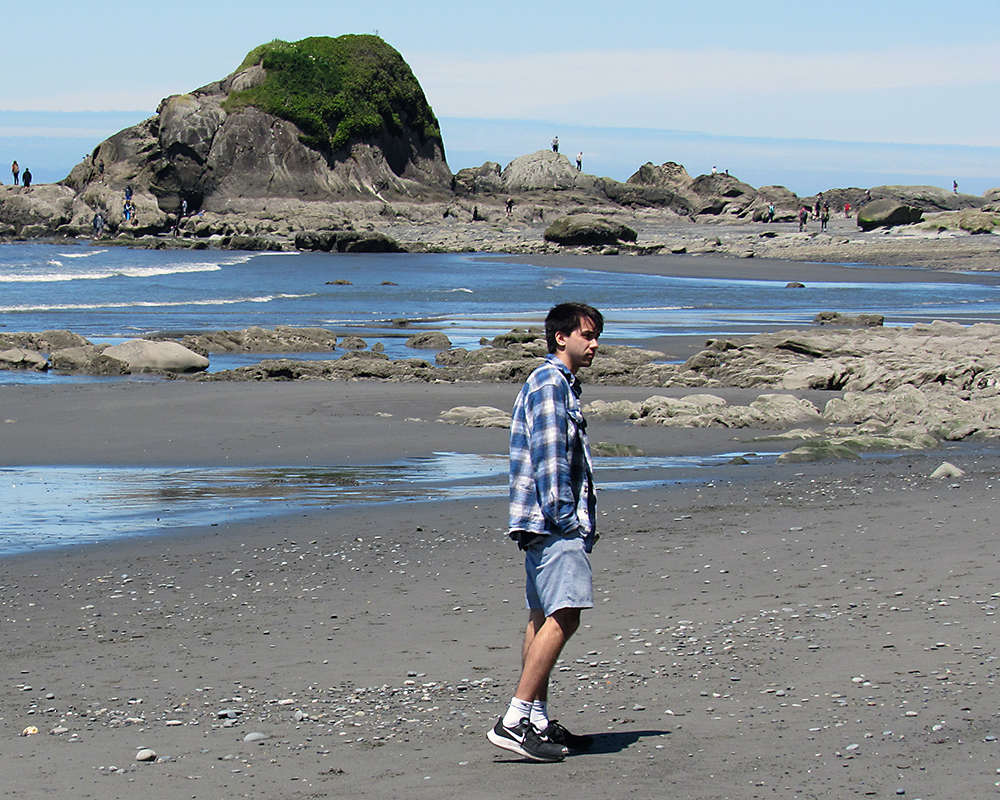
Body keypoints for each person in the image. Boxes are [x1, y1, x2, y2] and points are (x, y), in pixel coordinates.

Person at [487, 302, 603, 763]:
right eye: (587, 335)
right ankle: (515, 719)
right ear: (561, 337)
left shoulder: (556, 384)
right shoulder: (551, 384)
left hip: (537, 524)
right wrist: (567, 519)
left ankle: (535, 718)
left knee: (540, 617)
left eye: (596, 337)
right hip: (552, 522)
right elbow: (551, 457)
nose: (594, 345)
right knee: (567, 614)